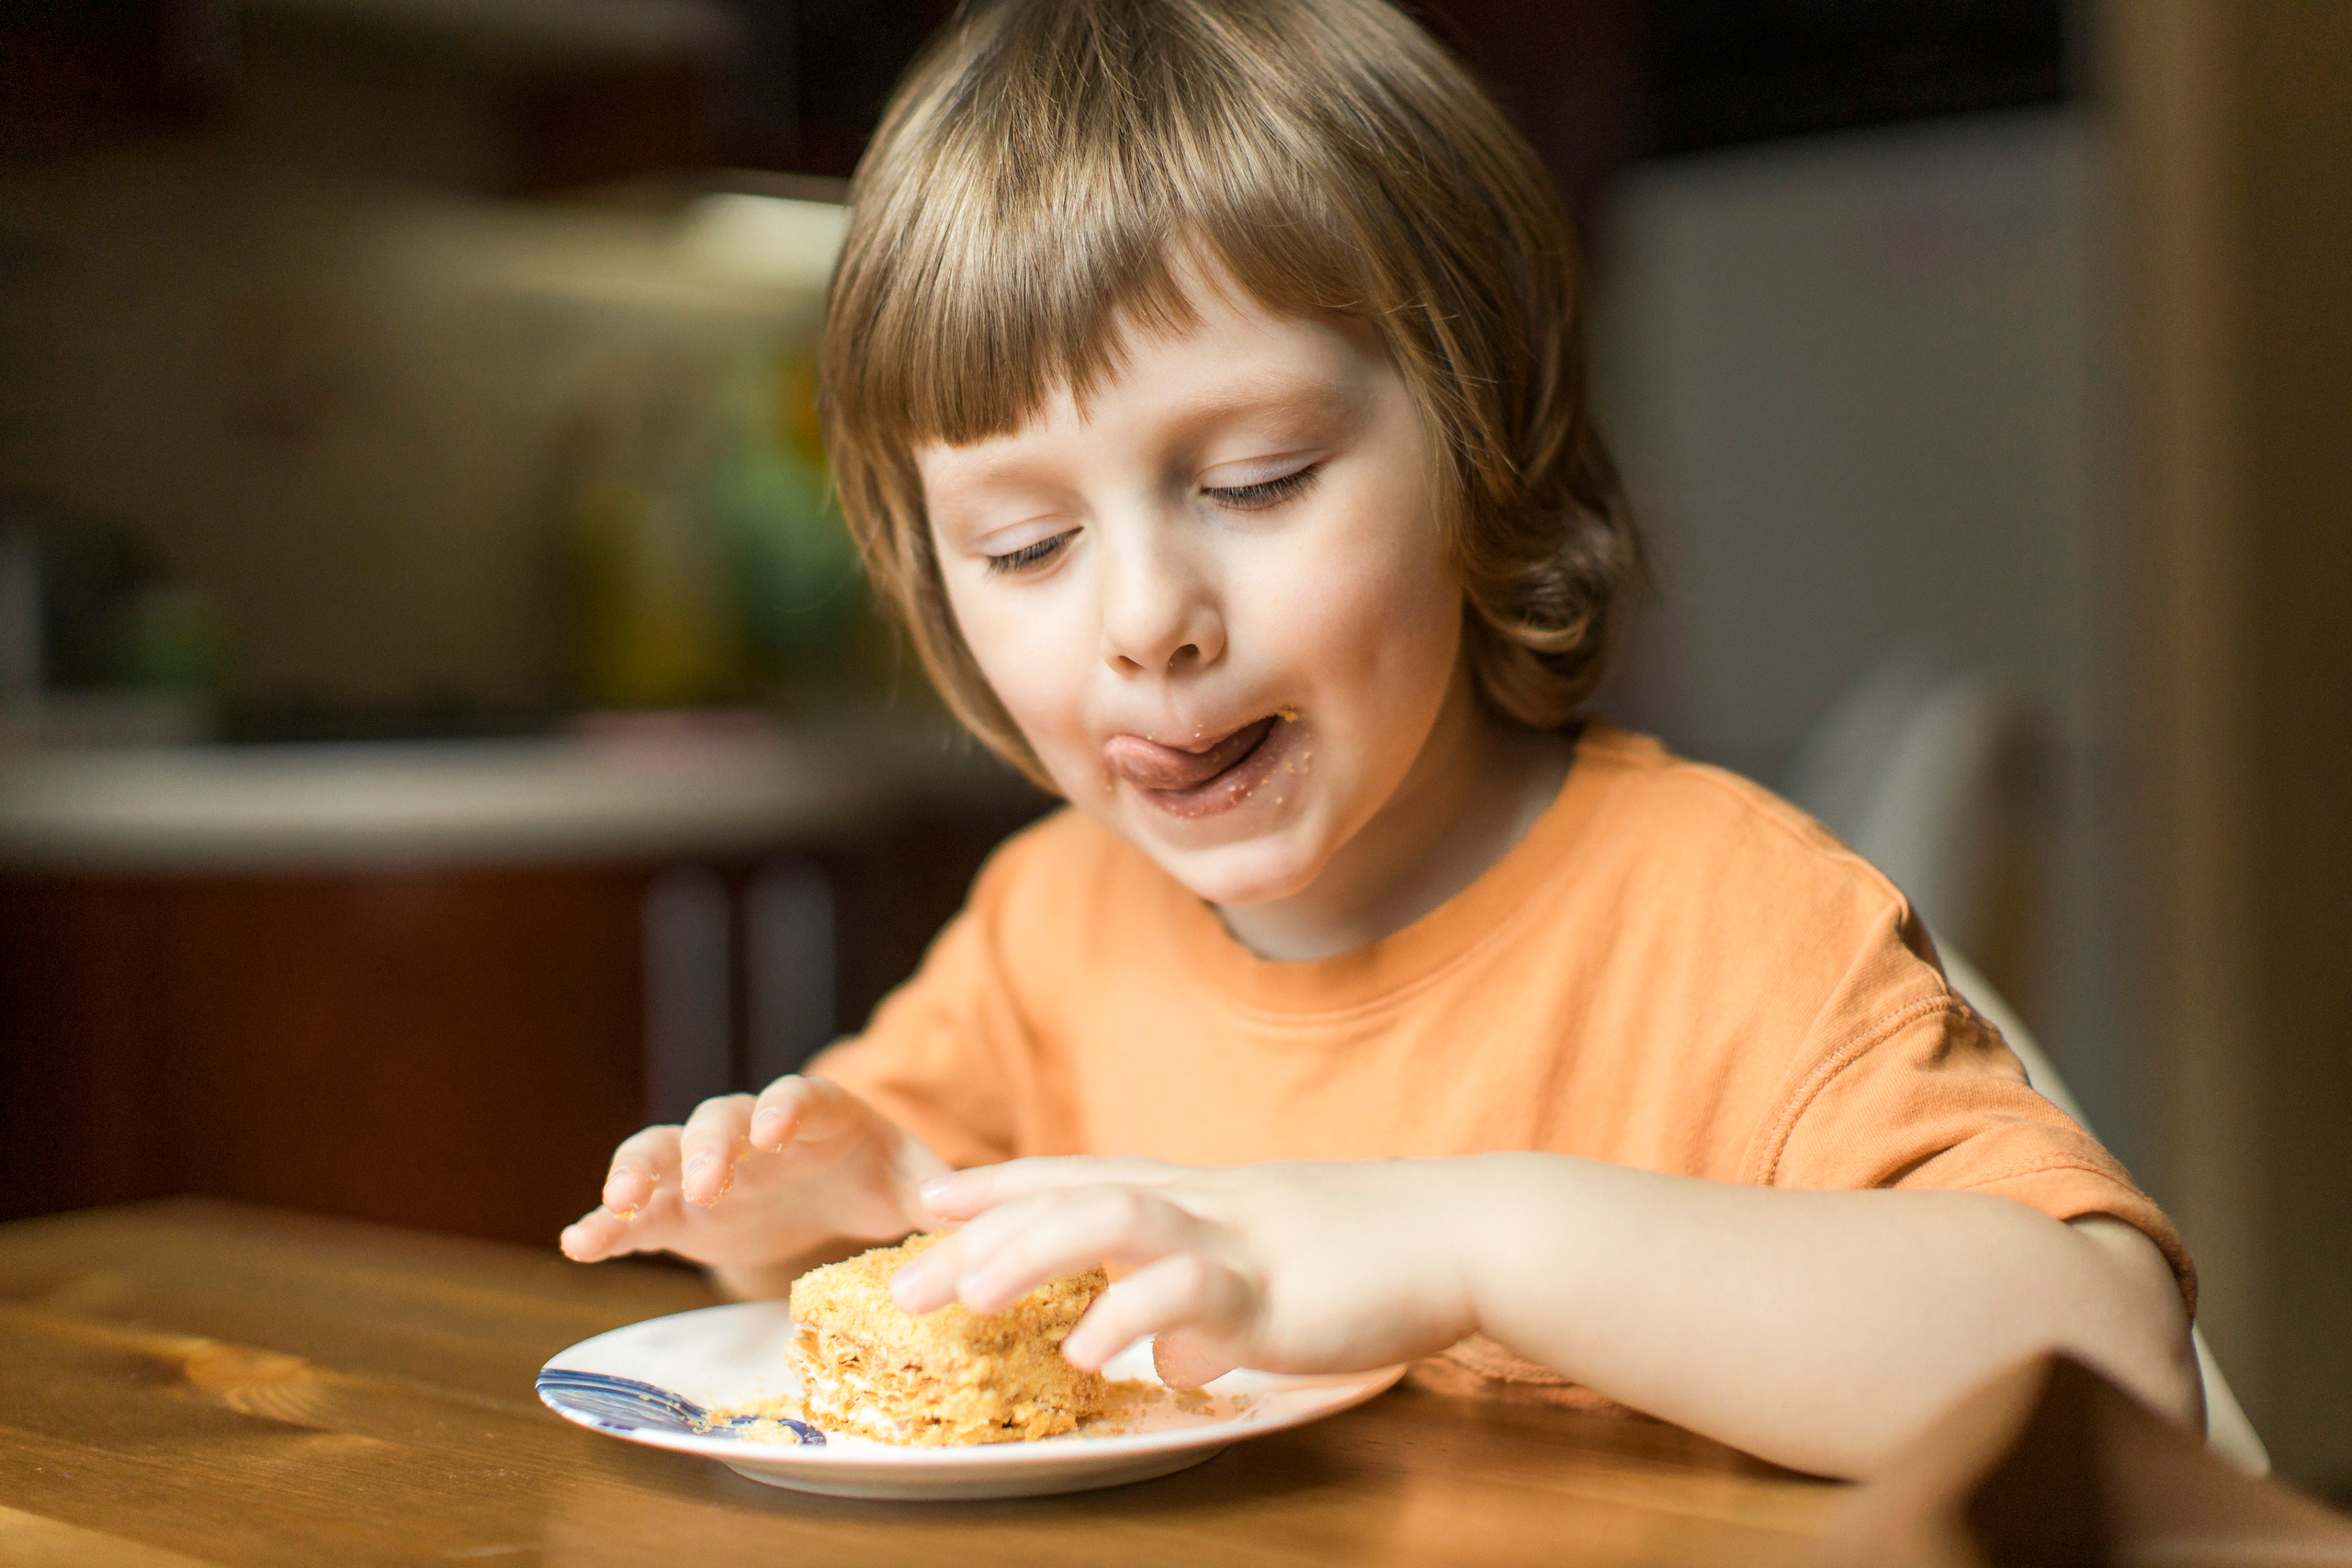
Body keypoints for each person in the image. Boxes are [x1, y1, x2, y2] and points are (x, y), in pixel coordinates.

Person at [560, 0, 2199, 1478]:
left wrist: (1469, 1241)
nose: (1146, 618)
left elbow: (2116, 1376)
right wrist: (810, 1219)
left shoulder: (1718, 924)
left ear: (1481, 442)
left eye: (1260, 478)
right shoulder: (1047, 931)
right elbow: (871, 1308)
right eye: (1024, 548)